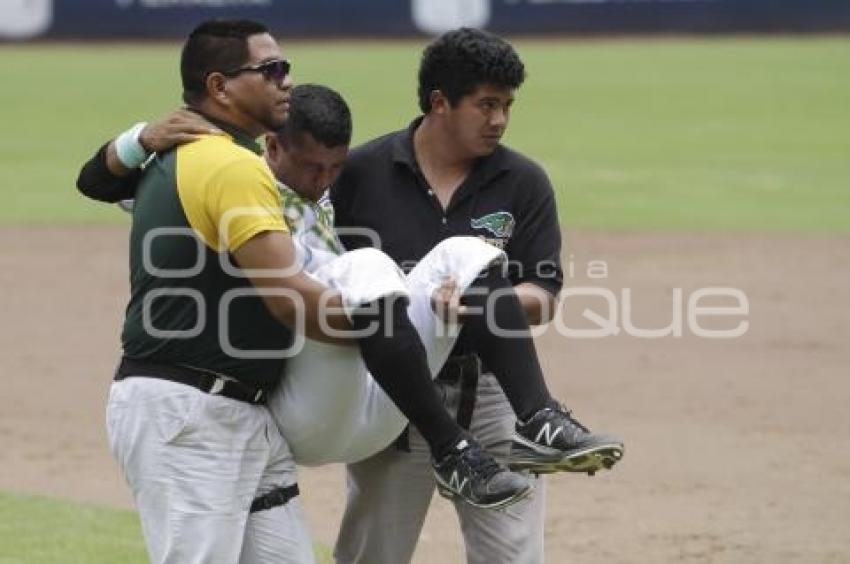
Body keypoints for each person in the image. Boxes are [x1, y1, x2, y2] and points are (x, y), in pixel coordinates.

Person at [327, 28, 622, 564]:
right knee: (373, 555)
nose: (500, 120)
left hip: (491, 394)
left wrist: (485, 303)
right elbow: (332, 275)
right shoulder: (360, 175)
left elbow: (543, 292)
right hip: (400, 395)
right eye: (486, 105)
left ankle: (540, 422)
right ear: (440, 102)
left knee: (513, 556)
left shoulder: (523, 181)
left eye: (508, 105)